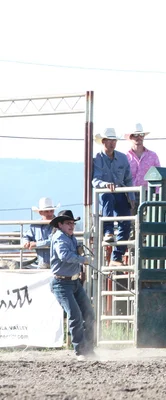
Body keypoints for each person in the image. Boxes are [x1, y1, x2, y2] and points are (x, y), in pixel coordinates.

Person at [49, 210, 95, 360]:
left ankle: (88, 349)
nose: (72, 225)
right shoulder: (60, 238)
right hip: (62, 283)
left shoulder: (69, 237)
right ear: (60, 224)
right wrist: (83, 260)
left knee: (88, 313)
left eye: (73, 223)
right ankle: (80, 351)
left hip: (73, 281)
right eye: (68, 223)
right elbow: (64, 256)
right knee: (75, 315)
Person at [92, 128, 133, 266]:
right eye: (109, 140)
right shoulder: (97, 158)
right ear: (103, 141)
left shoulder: (122, 157)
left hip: (120, 192)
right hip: (106, 193)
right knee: (107, 196)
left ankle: (117, 256)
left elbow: (128, 179)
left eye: (114, 140)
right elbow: (95, 180)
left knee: (126, 222)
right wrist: (105, 184)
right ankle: (108, 231)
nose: (112, 143)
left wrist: (131, 197)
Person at [125, 123, 161, 213]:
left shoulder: (153, 156)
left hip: (148, 193)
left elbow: (159, 176)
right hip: (129, 193)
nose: (139, 137)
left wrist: (155, 195)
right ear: (130, 137)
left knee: (148, 220)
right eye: (135, 135)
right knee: (130, 221)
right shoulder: (124, 157)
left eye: (141, 134)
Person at [23, 197, 60, 269]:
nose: (50, 213)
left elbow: (53, 241)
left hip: (57, 264)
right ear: (40, 212)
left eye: (51, 211)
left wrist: (36, 244)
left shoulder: (58, 224)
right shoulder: (35, 225)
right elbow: (26, 236)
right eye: (46, 211)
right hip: (41, 264)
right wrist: (26, 242)